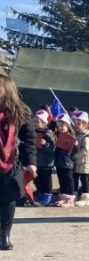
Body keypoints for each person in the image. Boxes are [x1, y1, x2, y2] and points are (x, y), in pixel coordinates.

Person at [0, 74, 36, 250]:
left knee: (8, 199)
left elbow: (29, 139)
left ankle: (4, 235)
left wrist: (31, 162)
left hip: (10, 162)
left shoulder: (21, 111)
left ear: (7, 90)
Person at [52, 115, 77, 208]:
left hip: (68, 163)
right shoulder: (56, 136)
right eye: (58, 126)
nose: (60, 128)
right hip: (59, 162)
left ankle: (70, 199)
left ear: (67, 126)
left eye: (62, 126)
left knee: (69, 180)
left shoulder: (71, 137)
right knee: (61, 180)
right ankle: (63, 197)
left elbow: (74, 151)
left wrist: (75, 145)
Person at [72, 112, 89, 207]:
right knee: (75, 179)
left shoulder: (87, 137)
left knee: (85, 180)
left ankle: (86, 198)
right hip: (78, 163)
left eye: (78, 124)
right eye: (76, 123)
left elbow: (85, 151)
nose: (76, 126)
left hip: (84, 163)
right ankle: (74, 196)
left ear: (85, 124)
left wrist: (74, 156)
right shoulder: (78, 135)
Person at [32, 110, 56, 206]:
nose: (35, 123)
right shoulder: (34, 132)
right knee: (37, 179)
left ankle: (47, 195)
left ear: (44, 123)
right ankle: (40, 192)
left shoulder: (48, 133)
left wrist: (45, 144)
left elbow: (53, 148)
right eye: (34, 121)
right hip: (37, 161)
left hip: (46, 162)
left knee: (46, 179)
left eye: (37, 122)